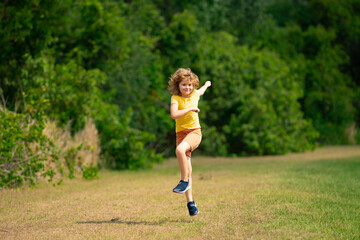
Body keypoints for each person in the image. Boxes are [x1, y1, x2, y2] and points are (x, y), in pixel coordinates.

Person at [168, 68, 211, 216]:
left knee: (180, 151)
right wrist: (190, 109)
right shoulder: (175, 98)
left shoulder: (194, 94)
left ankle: (183, 181)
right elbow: (174, 114)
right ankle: (191, 204)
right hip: (180, 134)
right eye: (184, 85)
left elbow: (202, 91)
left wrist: (206, 85)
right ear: (177, 85)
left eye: (190, 85)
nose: (188, 88)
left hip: (194, 133)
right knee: (188, 168)